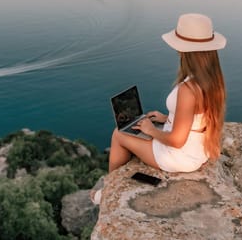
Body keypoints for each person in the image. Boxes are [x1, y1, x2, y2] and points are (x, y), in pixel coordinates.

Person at [91, 13, 226, 204]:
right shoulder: (212, 79)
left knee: (119, 135)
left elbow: (177, 140)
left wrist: (151, 130)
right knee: (135, 129)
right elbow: (197, 118)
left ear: (185, 50)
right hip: (198, 150)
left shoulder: (189, 89)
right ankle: (114, 183)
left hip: (179, 157)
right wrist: (167, 119)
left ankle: (109, 189)